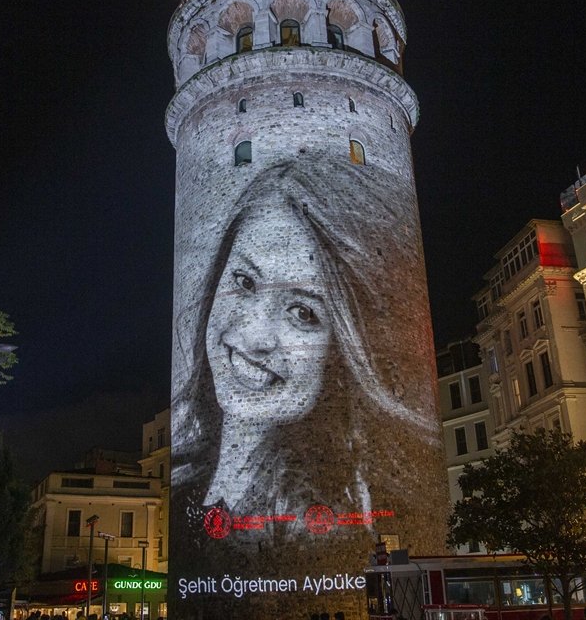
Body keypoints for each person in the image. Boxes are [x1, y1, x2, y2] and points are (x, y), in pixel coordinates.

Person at [171, 154, 440, 554]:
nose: (255, 335)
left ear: (349, 352)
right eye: (244, 281)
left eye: (303, 313)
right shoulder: (184, 484)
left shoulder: (331, 529)